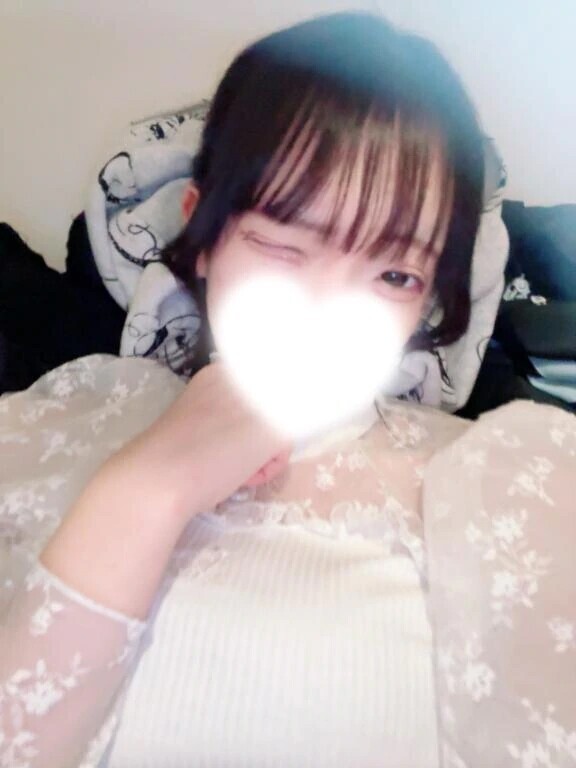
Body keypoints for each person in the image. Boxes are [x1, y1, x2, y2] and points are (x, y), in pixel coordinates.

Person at [1, 11, 574, 768]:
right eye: (283, 246)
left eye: (394, 274)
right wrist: (146, 487)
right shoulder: (48, 426)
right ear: (202, 235)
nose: (327, 313)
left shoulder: (519, 478)